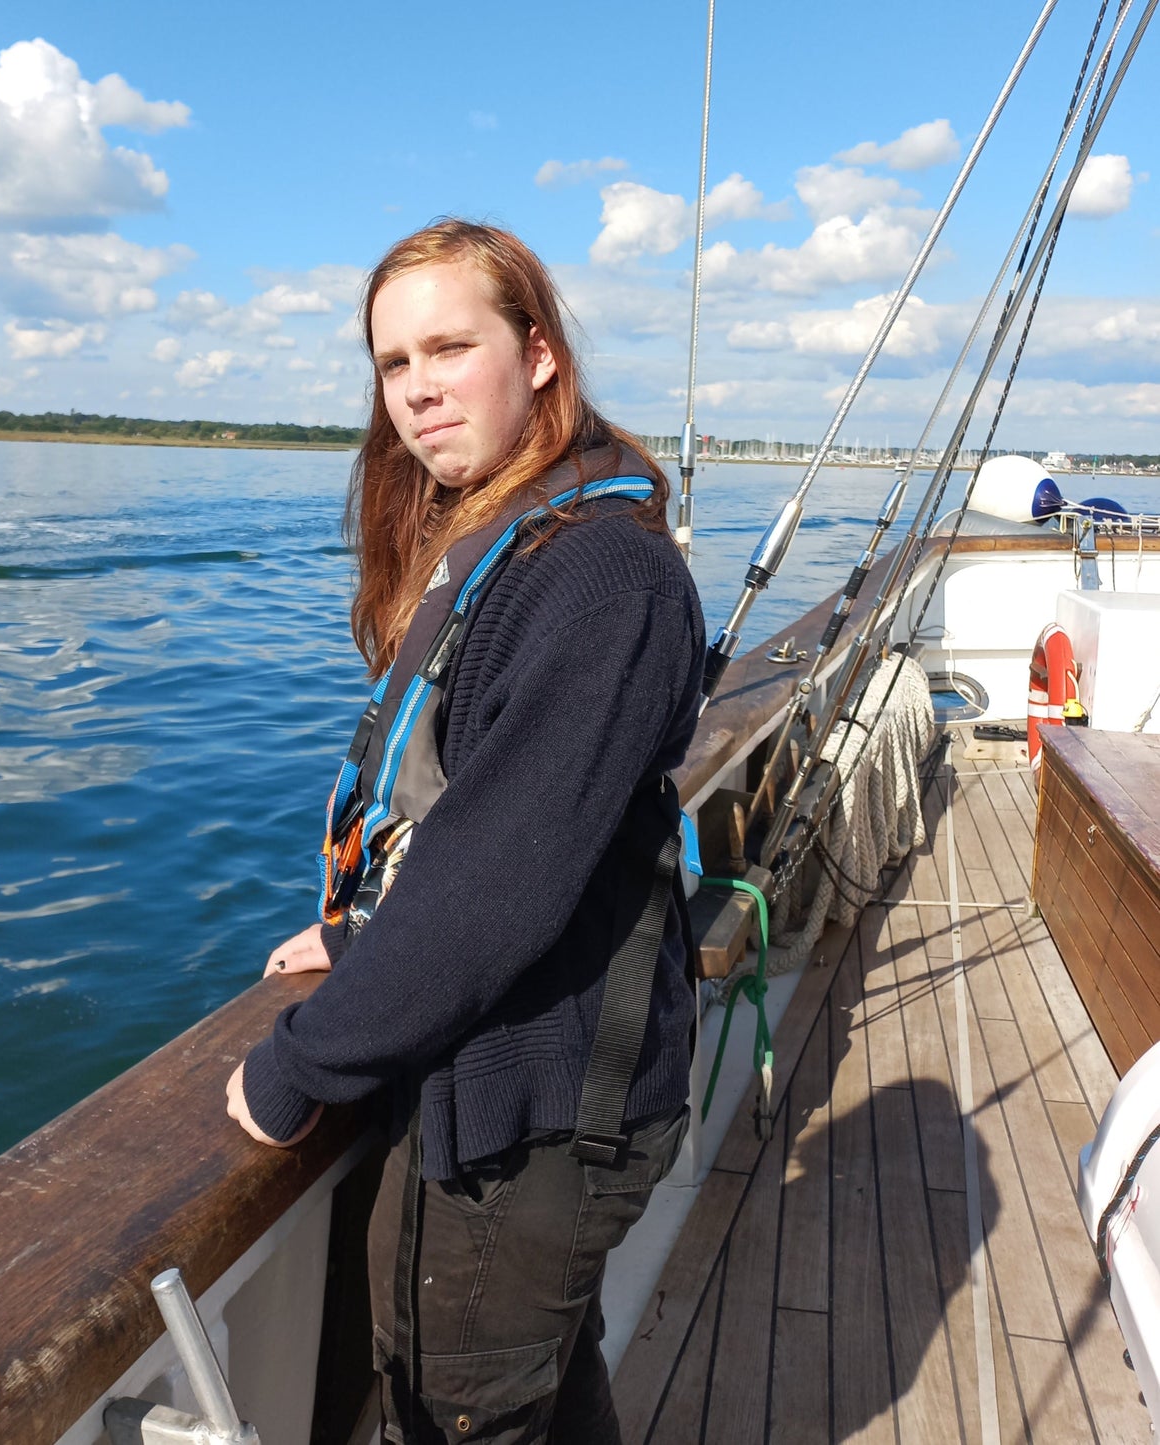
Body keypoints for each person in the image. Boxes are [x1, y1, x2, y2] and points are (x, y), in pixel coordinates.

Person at [226, 219, 705, 1444]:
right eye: (393, 364)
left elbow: (498, 880)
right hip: (492, 1086)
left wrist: (292, 1069)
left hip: (532, 1119)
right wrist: (359, 931)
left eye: (450, 347)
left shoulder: (604, 578)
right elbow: (457, 812)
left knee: (456, 1412)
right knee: (548, 1394)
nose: (418, 391)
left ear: (537, 351)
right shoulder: (511, 535)